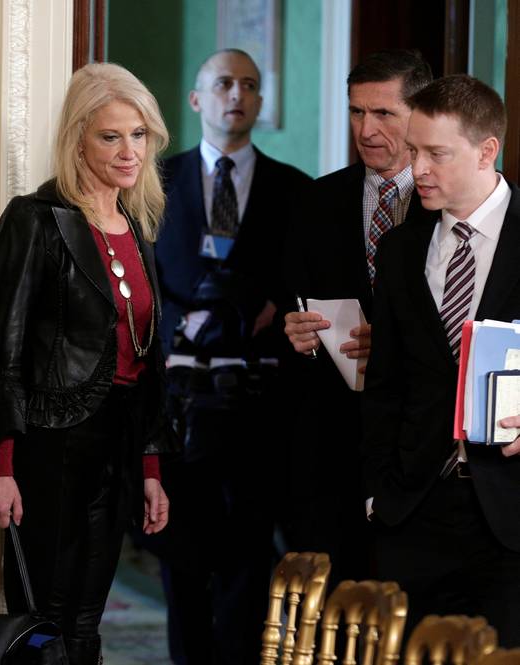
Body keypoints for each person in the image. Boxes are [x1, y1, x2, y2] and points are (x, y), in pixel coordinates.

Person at [0, 62, 176, 665]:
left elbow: (145, 361)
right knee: (43, 619)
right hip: (50, 445)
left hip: (116, 445)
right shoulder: (36, 219)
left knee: (88, 618)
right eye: (110, 136)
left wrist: (149, 465)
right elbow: (5, 350)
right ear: (77, 140)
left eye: (138, 135)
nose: (128, 150)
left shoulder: (137, 226)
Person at [150, 48, 311, 665]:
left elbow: (302, 281)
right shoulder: (154, 182)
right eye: (223, 83)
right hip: (178, 401)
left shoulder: (296, 190)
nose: (236, 95)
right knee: (183, 560)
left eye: (249, 85)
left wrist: (271, 307)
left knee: (249, 560)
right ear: (197, 100)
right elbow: (139, 279)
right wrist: (176, 331)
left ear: (260, 103)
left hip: (260, 403)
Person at [362, 74, 520, 644]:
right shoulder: (401, 248)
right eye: (413, 151)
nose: (417, 168)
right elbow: (386, 384)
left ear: (486, 151)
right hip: (413, 512)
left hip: (510, 516)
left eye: (436, 153)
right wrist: (378, 493)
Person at [282, 50, 434, 584]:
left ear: (420, 114)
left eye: (383, 114)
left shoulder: (449, 203)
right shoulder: (314, 201)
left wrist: (390, 343)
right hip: (330, 442)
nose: (365, 129)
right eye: (355, 113)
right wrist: (293, 332)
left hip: (419, 446)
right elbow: (291, 304)